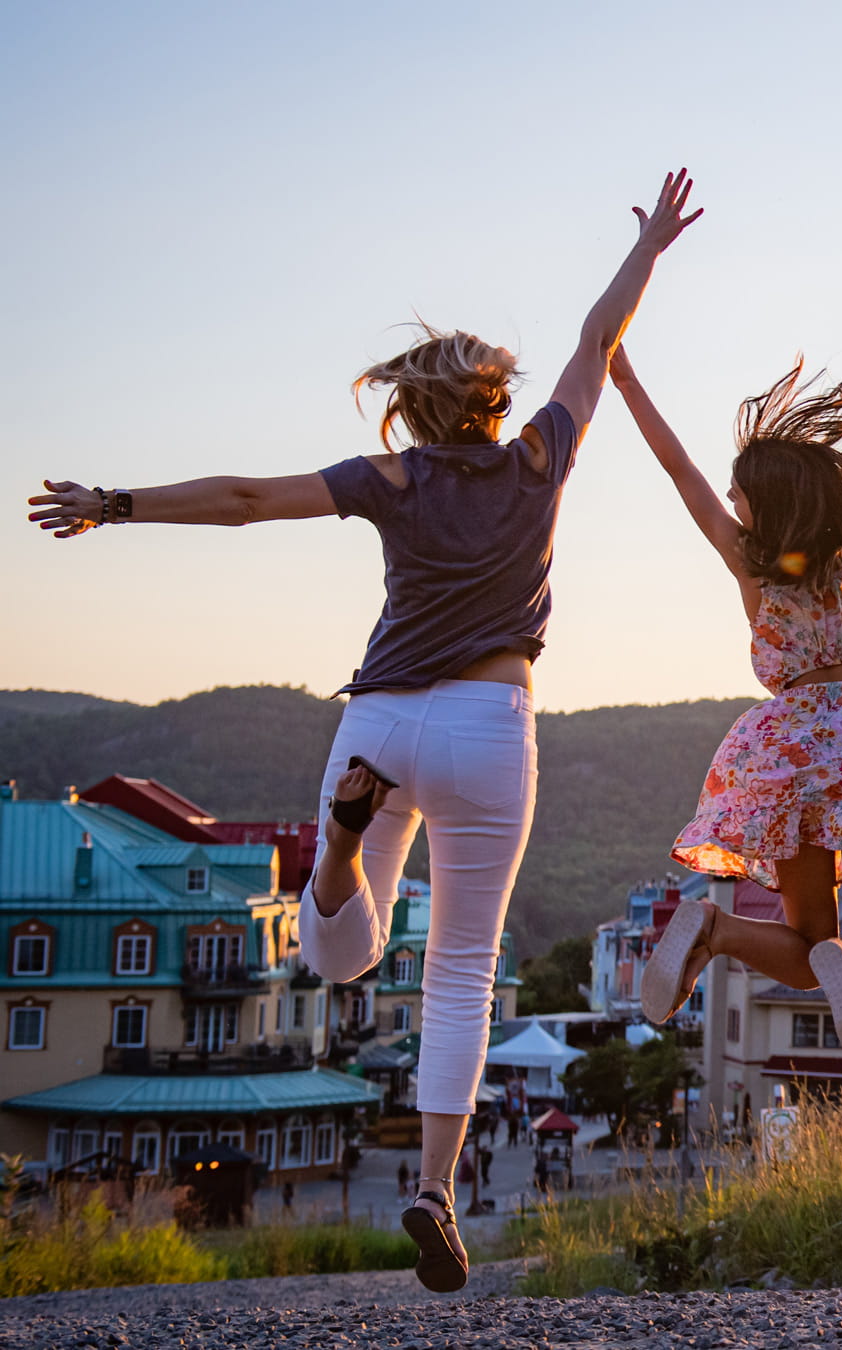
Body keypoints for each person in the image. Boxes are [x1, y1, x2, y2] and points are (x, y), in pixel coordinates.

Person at [27, 170, 703, 1292]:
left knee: (333, 956)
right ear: (494, 401)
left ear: (419, 409)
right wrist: (650, 251)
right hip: (493, 726)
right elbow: (599, 336)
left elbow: (248, 497)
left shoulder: (390, 476)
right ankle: (436, 1191)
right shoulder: (541, 458)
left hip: (381, 722)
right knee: (462, 971)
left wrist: (117, 502)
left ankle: (340, 856)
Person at [612, 244, 842, 1065]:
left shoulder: (750, 563)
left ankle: (712, 926)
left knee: (799, 937)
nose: (732, 501)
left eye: (740, 493)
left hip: (787, 746)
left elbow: (678, 471)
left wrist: (625, 379)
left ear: (763, 505)